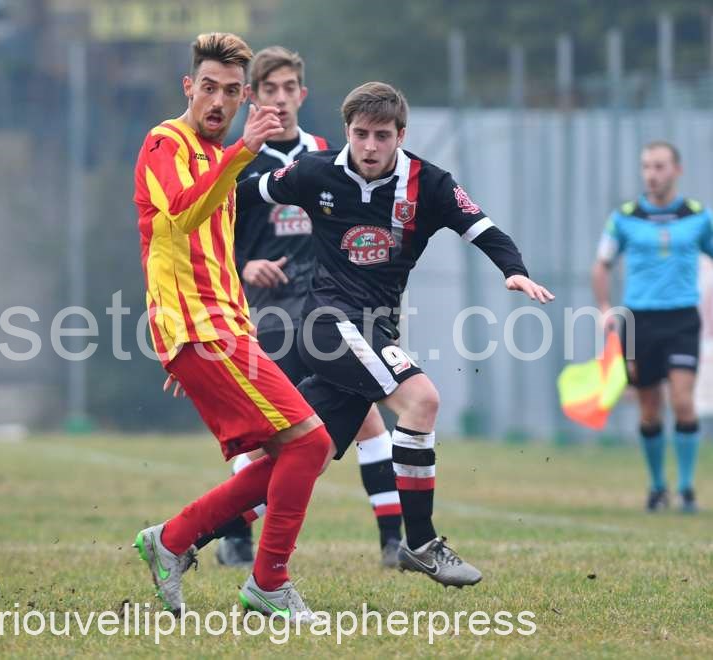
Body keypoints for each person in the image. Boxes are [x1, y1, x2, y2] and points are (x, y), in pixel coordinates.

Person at [236, 81, 554, 587]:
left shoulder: (429, 183)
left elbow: (484, 229)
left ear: (400, 135)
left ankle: (178, 536)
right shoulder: (315, 172)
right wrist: (225, 256)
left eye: (382, 136)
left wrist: (513, 270)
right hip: (328, 325)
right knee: (421, 400)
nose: (369, 146)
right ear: (346, 131)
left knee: (303, 456)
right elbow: (236, 196)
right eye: (360, 134)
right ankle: (421, 543)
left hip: (375, 329)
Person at [131, 32, 334, 620]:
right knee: (312, 444)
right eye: (208, 88)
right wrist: (181, 340)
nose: (217, 101)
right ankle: (267, 582)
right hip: (199, 330)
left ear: (244, 96)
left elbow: (213, 261)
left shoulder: (219, 155)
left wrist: (211, 346)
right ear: (188, 87)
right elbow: (183, 213)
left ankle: (173, 539)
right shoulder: (164, 142)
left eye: (230, 92)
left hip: (220, 330)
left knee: (300, 451)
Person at [195, 46, 403, 569]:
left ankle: (393, 543)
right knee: (268, 439)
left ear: (302, 95)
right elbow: (209, 228)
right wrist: (245, 266)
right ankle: (234, 537)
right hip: (270, 316)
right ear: (252, 97)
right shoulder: (241, 160)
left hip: (329, 314)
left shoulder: (329, 155)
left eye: (289, 89)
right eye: (270, 90)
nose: (281, 99)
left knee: (369, 424)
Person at [592, 141, 709, 513]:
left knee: (683, 402)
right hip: (639, 321)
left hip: (682, 319)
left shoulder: (698, 216)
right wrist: (605, 308)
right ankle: (658, 487)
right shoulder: (625, 217)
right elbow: (602, 265)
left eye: (659, 166)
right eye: (646, 167)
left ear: (677, 170)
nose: (652, 174)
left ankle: (686, 488)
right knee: (649, 409)